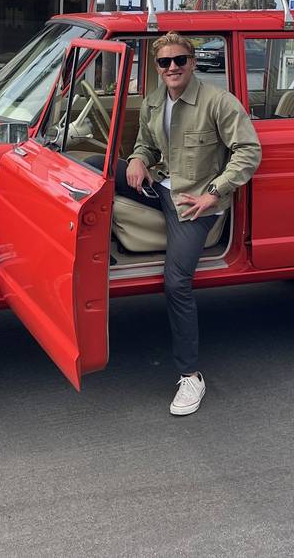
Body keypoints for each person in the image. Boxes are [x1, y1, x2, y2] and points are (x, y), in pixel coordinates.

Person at [112, 32, 261, 416]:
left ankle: (190, 375)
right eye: (164, 62)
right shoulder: (153, 100)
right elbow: (145, 143)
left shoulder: (218, 102)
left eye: (180, 60)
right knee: (91, 170)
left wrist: (215, 193)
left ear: (193, 62)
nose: (172, 67)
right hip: (159, 184)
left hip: (193, 204)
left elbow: (249, 150)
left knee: (176, 281)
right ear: (158, 68)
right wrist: (139, 160)